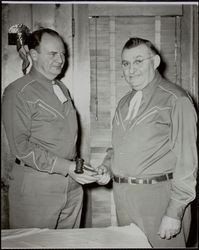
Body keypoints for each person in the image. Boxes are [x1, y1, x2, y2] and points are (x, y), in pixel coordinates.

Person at [96, 37, 197, 248]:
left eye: (139, 61)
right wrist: (106, 166)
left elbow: (188, 162)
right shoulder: (124, 103)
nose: (131, 69)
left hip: (159, 201)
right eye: (125, 63)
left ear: (156, 61)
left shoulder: (176, 99)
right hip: (123, 199)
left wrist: (174, 211)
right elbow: (117, 148)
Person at [2, 28, 98, 229]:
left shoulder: (62, 88)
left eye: (63, 53)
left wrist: (78, 169)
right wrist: (68, 167)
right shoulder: (18, 91)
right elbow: (20, 147)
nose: (60, 59)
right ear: (34, 54)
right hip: (36, 188)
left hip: (72, 185)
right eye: (53, 53)